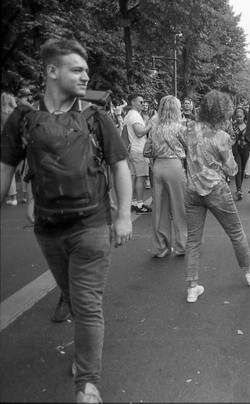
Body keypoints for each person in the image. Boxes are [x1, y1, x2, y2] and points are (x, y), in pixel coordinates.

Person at [0, 38, 132, 403]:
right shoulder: (22, 119)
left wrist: (124, 215)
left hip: (92, 224)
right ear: (52, 71)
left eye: (86, 70)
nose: (86, 76)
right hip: (48, 229)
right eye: (77, 70)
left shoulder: (95, 117)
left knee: (87, 302)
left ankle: (87, 385)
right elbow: (6, 168)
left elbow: (120, 165)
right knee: (74, 298)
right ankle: (85, 355)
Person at [183, 90, 250, 303]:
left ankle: (192, 288)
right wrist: (221, 163)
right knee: (236, 232)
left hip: (192, 189)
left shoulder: (189, 129)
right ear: (222, 112)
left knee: (193, 239)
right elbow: (232, 169)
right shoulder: (221, 137)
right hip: (216, 189)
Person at [143, 95, 187, 258]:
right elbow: (190, 147)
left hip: (158, 167)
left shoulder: (155, 129)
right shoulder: (180, 128)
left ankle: (161, 247)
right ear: (176, 109)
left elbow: (146, 151)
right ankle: (182, 245)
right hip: (174, 166)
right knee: (179, 207)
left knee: (159, 208)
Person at [124, 93, 154, 214]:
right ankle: (140, 204)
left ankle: (133, 202)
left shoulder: (129, 115)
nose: (143, 104)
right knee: (140, 178)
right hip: (139, 150)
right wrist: (150, 124)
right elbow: (139, 133)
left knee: (134, 177)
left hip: (133, 149)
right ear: (133, 102)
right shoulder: (135, 116)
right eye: (140, 102)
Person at [1, 92, 18, 205]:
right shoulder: (16, 113)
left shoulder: (2, 113)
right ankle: (19, 196)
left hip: (5, 144)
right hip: (17, 143)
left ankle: (13, 197)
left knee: (7, 170)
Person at [232, 106, 250, 200]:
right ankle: (239, 189)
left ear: (244, 116)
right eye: (237, 117)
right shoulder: (233, 126)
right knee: (238, 169)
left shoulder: (248, 126)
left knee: (242, 169)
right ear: (235, 116)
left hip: (245, 149)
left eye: (241, 117)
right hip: (236, 149)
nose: (239, 118)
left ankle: (240, 187)